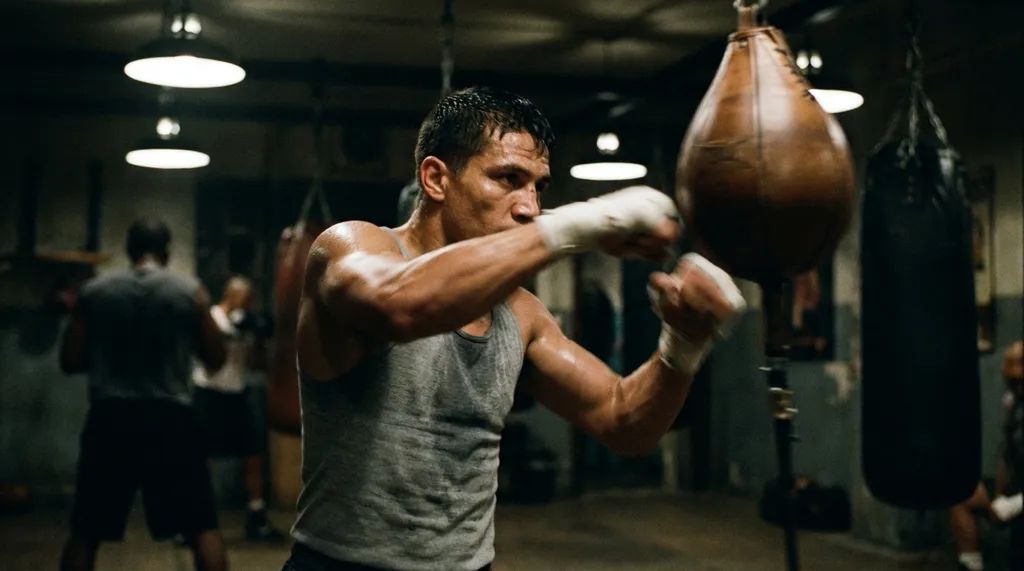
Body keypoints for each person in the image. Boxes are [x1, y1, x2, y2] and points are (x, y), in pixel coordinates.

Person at [280, 86, 746, 571]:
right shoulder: (352, 246)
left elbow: (623, 420)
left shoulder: (521, 314)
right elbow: (398, 305)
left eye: (538, 187)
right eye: (508, 178)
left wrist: (684, 343)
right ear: (436, 179)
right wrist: (583, 223)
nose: (528, 206)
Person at [57, 219, 229, 571]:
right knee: (202, 528)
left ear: (128, 250)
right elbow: (216, 359)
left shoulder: (96, 291)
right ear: (166, 251)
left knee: (86, 531)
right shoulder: (190, 291)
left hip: (111, 419)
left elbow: (70, 360)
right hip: (172, 420)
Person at [191, 276, 284, 542]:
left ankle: (256, 518)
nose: (247, 302)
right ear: (230, 295)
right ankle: (196, 518)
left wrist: (255, 337)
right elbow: (209, 360)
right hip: (209, 392)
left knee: (253, 454)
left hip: (237, 393)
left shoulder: (247, 321)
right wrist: (229, 333)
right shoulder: (213, 317)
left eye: (250, 298)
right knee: (202, 457)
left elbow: (256, 364)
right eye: (243, 297)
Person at [949, 340, 1024, 571]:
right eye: (1009, 379)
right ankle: (971, 565)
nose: (1013, 383)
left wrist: (1013, 505)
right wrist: (1000, 495)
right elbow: (1006, 456)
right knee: (961, 493)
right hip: (1018, 487)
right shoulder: (1011, 404)